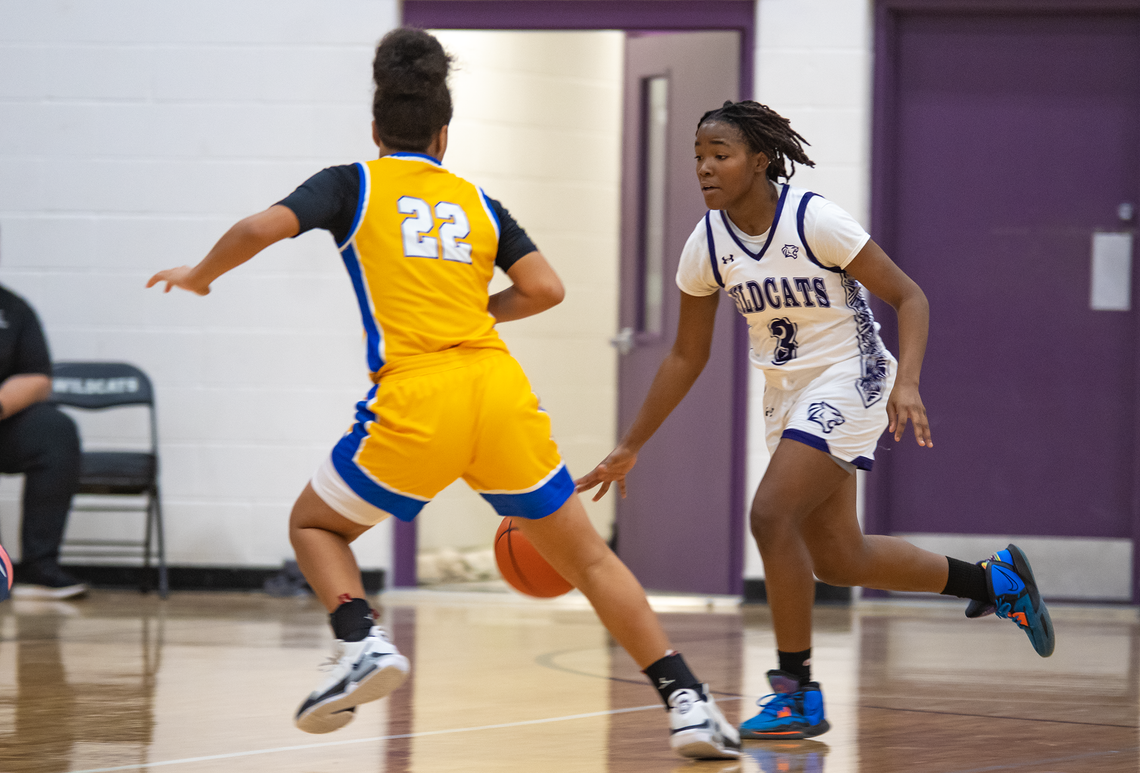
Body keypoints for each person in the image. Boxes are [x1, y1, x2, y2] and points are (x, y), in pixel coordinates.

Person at [147, 28, 740, 760]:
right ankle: (689, 702)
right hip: (496, 391)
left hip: (418, 395)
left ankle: (360, 640)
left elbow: (256, 227)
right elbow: (547, 289)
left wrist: (202, 274)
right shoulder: (477, 202)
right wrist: (481, 311)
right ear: (444, 135)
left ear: (376, 128)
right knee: (589, 560)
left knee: (315, 526)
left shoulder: (351, 184)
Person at [576, 100, 1055, 741]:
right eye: (698, 158)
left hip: (852, 376)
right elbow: (688, 355)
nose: (705, 169)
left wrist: (906, 383)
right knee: (838, 558)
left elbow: (909, 296)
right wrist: (630, 446)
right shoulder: (707, 244)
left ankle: (795, 691)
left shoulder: (814, 219)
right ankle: (994, 582)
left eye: (720, 155)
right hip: (788, 393)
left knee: (769, 514)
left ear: (760, 159)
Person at [0, 278, 86, 600]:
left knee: (55, 430)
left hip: (3, 417)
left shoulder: (12, 308)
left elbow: (37, 377)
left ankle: (40, 566)